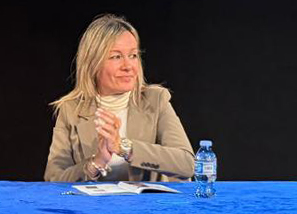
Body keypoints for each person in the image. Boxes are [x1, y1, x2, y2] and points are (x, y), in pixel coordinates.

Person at [44, 14, 194, 183]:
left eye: (133, 55)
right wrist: (95, 163)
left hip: (146, 207)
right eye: (116, 56)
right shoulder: (71, 109)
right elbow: (54, 179)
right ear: (93, 64)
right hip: (96, 208)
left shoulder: (155, 100)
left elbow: (186, 164)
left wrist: (124, 147)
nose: (128, 66)